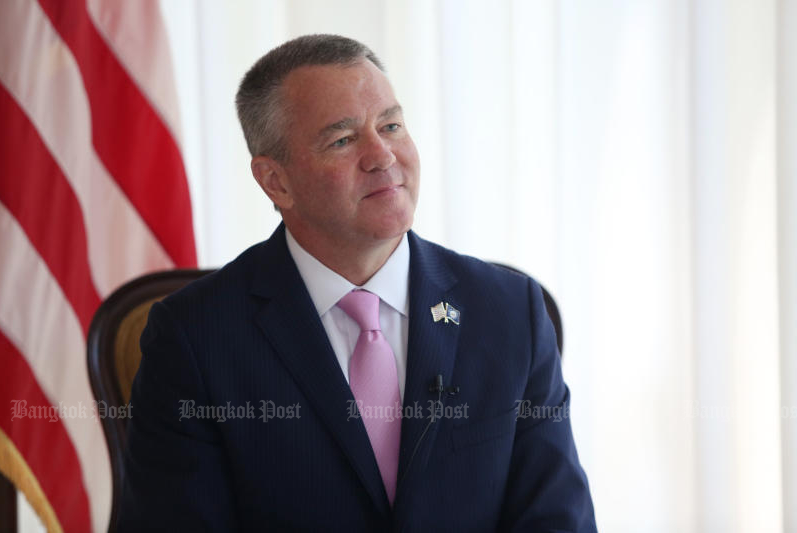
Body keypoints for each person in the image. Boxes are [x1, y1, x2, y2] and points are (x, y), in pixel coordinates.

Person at [119, 34, 597, 531]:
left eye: (391, 125)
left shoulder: (508, 312)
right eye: (343, 140)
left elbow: (557, 519)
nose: (383, 155)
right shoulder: (197, 336)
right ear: (275, 181)